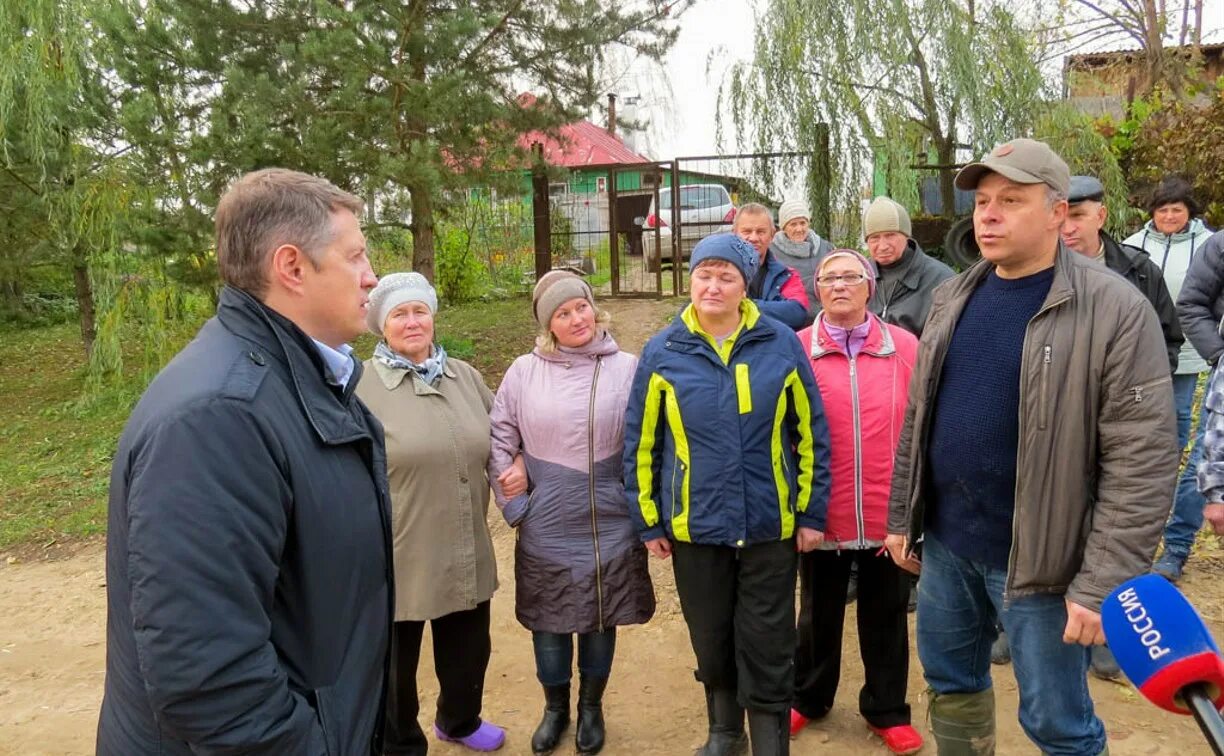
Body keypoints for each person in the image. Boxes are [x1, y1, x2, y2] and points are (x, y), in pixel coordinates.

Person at [885, 139, 1178, 755]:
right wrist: (901, 519)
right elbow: (920, 415)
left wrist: (1101, 583)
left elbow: (1142, 463)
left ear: (1056, 212)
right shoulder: (955, 295)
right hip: (948, 546)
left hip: (1044, 563)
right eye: (983, 201)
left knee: (1056, 722)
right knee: (951, 681)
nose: (987, 214)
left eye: (1010, 201)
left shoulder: (1115, 310)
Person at [97, 169, 393, 754]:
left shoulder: (296, 380)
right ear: (291, 267)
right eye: (356, 256)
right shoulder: (218, 418)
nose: (371, 277)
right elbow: (209, 683)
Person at [624, 233, 832, 756]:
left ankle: (769, 740)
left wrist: (810, 512)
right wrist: (649, 519)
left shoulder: (780, 343)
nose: (713, 286)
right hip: (697, 525)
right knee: (710, 633)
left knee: (768, 639)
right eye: (703, 275)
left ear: (746, 287)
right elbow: (641, 443)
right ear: (690, 280)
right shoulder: (664, 350)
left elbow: (811, 434)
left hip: (769, 524)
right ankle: (724, 730)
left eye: (727, 277)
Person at [988, 174, 1186, 679]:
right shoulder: (1028, 273)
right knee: (1038, 523)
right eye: (1065, 213)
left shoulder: (1135, 272)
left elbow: (1166, 336)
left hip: (1116, 415)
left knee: (1111, 522)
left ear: (1099, 216)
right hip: (1051, 424)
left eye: (1080, 215)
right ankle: (1015, 625)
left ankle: (1108, 632)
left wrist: (1129, 383)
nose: (1071, 225)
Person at [489, 270, 654, 756]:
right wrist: (516, 504)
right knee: (549, 616)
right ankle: (555, 708)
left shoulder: (629, 367)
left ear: (593, 307)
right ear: (549, 325)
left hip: (610, 514)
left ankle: (591, 708)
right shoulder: (524, 371)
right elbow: (501, 436)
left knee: (601, 615)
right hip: (548, 514)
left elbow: (651, 437)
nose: (576, 318)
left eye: (580, 307)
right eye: (563, 313)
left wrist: (637, 502)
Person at [356, 272, 509, 754]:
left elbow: (504, 437)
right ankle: (399, 743)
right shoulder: (359, 387)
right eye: (399, 314)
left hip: (464, 541)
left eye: (419, 310)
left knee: (469, 649)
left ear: (433, 316)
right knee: (396, 662)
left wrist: (520, 465)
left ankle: (459, 721)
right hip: (397, 548)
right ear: (382, 325)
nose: (412, 321)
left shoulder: (465, 376)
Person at [789, 250, 923, 756]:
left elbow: (922, 425)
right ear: (817, 289)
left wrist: (915, 507)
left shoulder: (904, 347)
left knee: (885, 614)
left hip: (888, 514)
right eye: (830, 278)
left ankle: (887, 709)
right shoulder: (797, 348)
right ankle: (808, 696)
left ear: (870, 286)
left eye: (851, 276)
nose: (840, 285)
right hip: (822, 511)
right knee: (816, 614)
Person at [1124, 176, 1214, 582]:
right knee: (1157, 442)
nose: (1170, 216)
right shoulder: (1134, 245)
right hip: (1146, 354)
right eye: (1163, 209)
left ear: (1189, 212)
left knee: (1183, 431)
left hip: (1195, 353)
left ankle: (1175, 540)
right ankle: (1145, 520)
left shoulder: (1209, 243)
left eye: (1177, 209)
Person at [864, 196, 955, 337]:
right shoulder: (859, 276)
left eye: (890, 235)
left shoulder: (942, 280)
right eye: (874, 238)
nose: (882, 246)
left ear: (907, 236)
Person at [733, 202, 811, 329]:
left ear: (772, 235)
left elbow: (797, 313)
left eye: (761, 232)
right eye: (747, 231)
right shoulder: (719, 272)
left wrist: (743, 305)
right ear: (734, 233)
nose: (753, 238)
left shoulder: (786, 275)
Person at [768, 198, 834, 309]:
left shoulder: (826, 248)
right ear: (783, 227)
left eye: (803, 223)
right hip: (790, 315)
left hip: (825, 314)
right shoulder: (771, 252)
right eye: (793, 224)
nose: (799, 229)